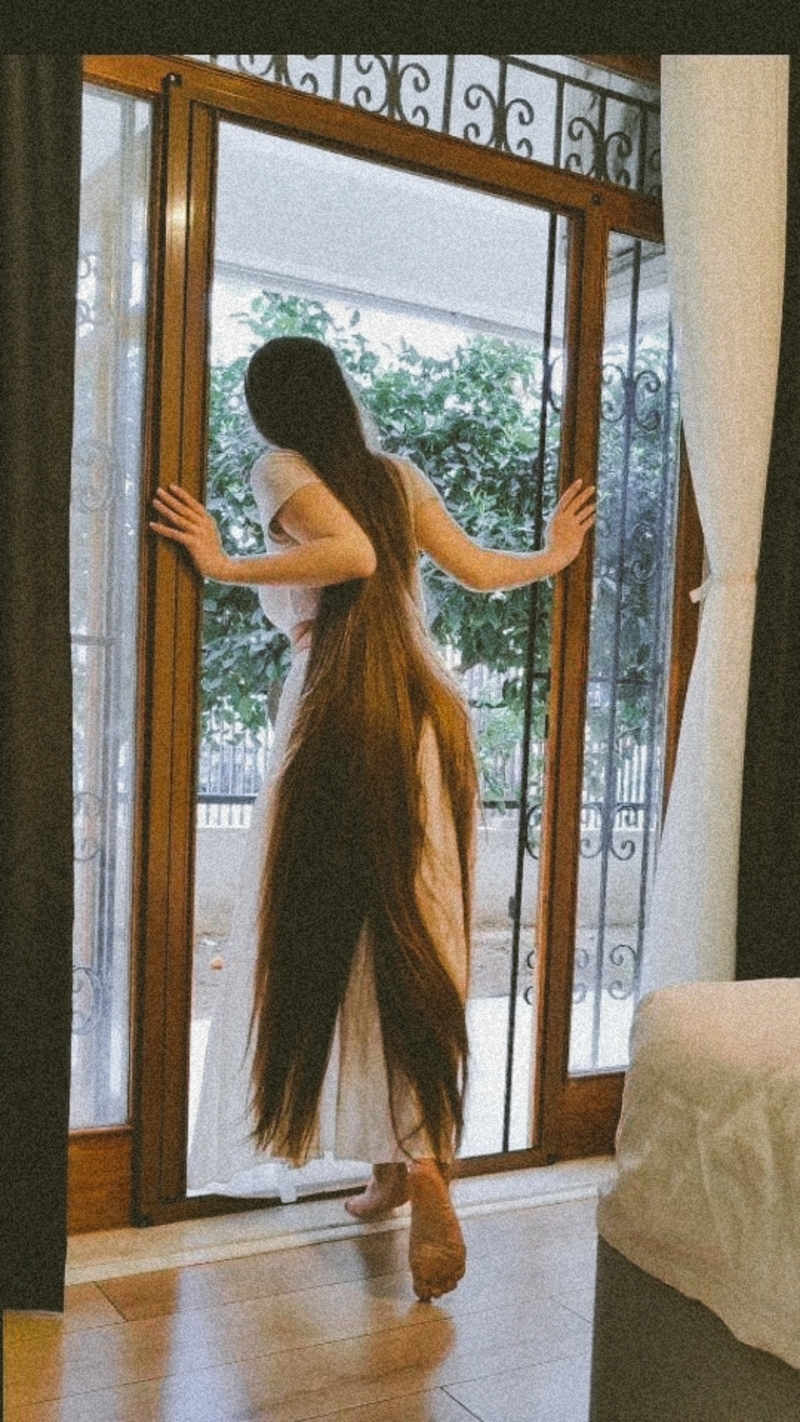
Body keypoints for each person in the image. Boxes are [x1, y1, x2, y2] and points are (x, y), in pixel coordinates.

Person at [150, 336, 595, 1301]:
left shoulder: (279, 468)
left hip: (339, 711)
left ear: (270, 410)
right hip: (424, 710)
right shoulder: (395, 476)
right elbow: (478, 573)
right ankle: (407, 1166)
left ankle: (406, 1166)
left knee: (325, 935)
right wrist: (557, 553)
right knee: (413, 932)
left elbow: (347, 557)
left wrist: (220, 562)